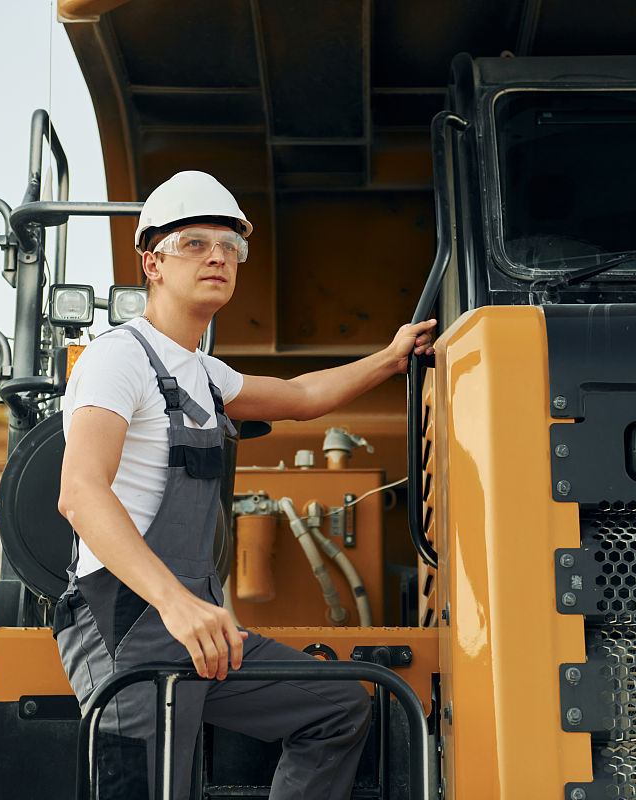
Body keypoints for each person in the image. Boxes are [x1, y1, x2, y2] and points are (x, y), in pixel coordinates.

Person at [54, 170, 436, 800]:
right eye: (196, 244)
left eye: (230, 247)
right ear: (151, 262)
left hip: (196, 626)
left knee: (337, 706)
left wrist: (392, 358)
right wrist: (176, 604)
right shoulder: (116, 357)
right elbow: (81, 493)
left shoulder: (205, 375)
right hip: (123, 622)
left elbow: (303, 396)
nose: (218, 258)